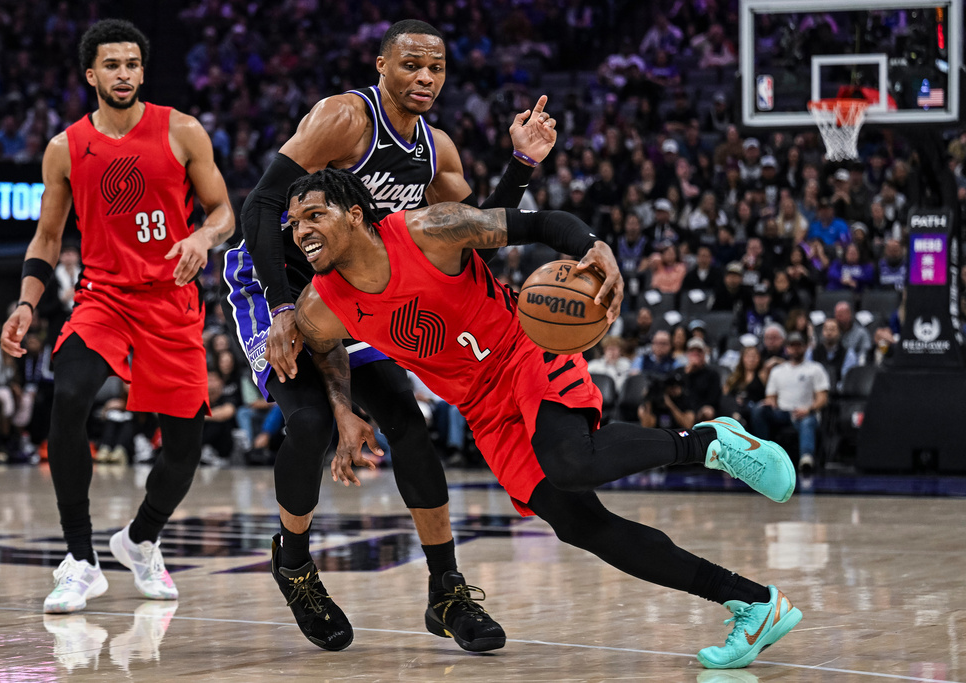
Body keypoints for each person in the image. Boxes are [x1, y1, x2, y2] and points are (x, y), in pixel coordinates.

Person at [288, 167, 802, 670]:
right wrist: (343, 410)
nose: (301, 230)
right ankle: (753, 605)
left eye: (314, 214)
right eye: (294, 223)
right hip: (481, 407)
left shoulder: (429, 230)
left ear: (354, 214)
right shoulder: (318, 302)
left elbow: (537, 223)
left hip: (526, 347)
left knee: (571, 461)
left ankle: (709, 440)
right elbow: (326, 349)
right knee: (581, 524)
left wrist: (591, 245)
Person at [221, 20, 556, 652]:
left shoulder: (438, 150)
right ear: (382, 66)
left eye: (436, 68)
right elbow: (263, 207)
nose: (425, 78)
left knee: (407, 425)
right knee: (313, 425)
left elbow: (472, 227)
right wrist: (283, 306)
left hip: (356, 293)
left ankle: (447, 591)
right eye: (411, 66)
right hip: (278, 280)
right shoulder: (345, 120)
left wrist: (522, 163)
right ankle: (293, 564)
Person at [0, 19, 235, 613]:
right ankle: (80, 558)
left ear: (142, 72)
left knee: (185, 446)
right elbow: (47, 237)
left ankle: (141, 539)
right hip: (102, 298)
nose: (123, 74)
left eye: (132, 64)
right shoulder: (65, 147)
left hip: (171, 300)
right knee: (69, 394)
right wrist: (27, 302)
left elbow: (224, 211)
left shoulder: (182, 131)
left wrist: (204, 238)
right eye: (112, 65)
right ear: (91, 74)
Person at [750, 332, 830, 474]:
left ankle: (806, 459)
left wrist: (809, 409)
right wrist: (771, 402)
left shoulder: (815, 369)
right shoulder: (777, 371)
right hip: (782, 412)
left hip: (805, 412)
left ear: (805, 347)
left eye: (798, 345)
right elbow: (771, 395)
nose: (795, 349)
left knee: (807, 421)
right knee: (759, 410)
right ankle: (763, 455)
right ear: (787, 348)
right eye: (792, 346)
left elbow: (823, 397)